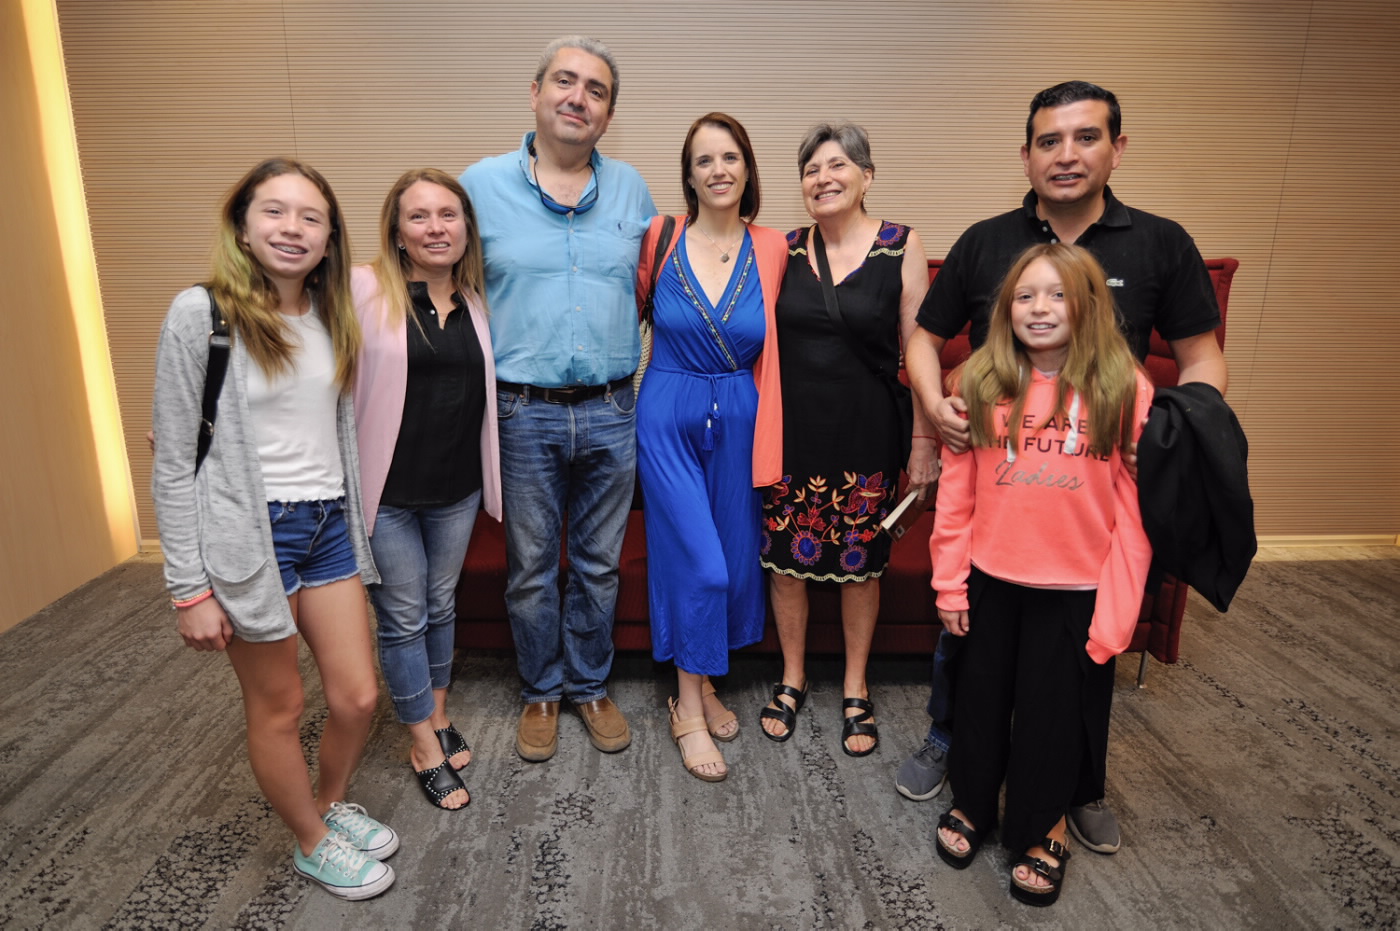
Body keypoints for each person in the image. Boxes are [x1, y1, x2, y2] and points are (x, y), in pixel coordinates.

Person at [899, 81, 1228, 853]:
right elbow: (924, 338)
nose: (1067, 154)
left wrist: (1170, 436)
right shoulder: (986, 241)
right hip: (997, 488)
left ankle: (1073, 786)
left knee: (1073, 672)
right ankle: (957, 750)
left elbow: (1202, 358)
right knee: (976, 658)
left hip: (1095, 490)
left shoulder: (1160, 244)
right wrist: (936, 409)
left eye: (1086, 137)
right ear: (1026, 155)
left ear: (1117, 148)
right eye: (1049, 140)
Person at [151, 158, 396, 900]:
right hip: (250, 534)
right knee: (280, 704)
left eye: (311, 217)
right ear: (243, 226)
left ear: (329, 238)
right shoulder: (200, 313)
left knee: (357, 697)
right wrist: (188, 589)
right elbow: (172, 461)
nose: (293, 228)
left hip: (327, 526)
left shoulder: (330, 312)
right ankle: (312, 842)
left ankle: (328, 802)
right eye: (275, 211)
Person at [929, 242, 1154, 907]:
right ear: (1006, 310)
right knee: (979, 702)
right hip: (991, 579)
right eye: (1025, 295)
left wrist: (1117, 614)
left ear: (1089, 306)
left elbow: (1136, 516)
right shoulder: (979, 381)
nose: (1040, 308)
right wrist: (949, 582)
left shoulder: (1125, 388)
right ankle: (974, 802)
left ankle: (1043, 823)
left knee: (1052, 718)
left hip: (1076, 589)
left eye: (1058, 294)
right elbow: (956, 496)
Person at [460, 37, 656, 763]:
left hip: (612, 407)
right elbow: (439, 278)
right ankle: (542, 688)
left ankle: (590, 685)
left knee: (600, 563)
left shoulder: (632, 190)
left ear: (609, 114)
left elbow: (654, 290)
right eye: (565, 81)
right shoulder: (479, 186)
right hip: (521, 410)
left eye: (596, 90)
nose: (578, 97)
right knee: (532, 567)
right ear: (535, 92)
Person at [758, 123, 933, 757]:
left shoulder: (901, 245)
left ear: (867, 176)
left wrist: (923, 441)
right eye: (811, 169)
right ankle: (793, 676)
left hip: (867, 433)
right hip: (790, 435)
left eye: (837, 165)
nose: (822, 178)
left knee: (860, 567)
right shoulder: (783, 249)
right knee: (786, 566)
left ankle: (856, 685)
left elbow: (920, 351)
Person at [634, 113, 787, 782]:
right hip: (667, 412)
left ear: (748, 169)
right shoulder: (661, 238)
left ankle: (702, 680)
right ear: (689, 176)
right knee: (700, 564)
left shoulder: (775, 248)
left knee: (732, 557)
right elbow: (623, 321)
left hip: (742, 418)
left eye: (730, 157)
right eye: (704, 160)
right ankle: (688, 709)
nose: (718, 169)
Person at [352, 168, 502, 810]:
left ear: (467, 228)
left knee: (441, 606)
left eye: (448, 214)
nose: (435, 228)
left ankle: (437, 714)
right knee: (404, 615)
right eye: (419, 216)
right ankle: (420, 742)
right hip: (387, 493)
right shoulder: (362, 289)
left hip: (457, 490)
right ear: (397, 231)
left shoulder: (477, 303)